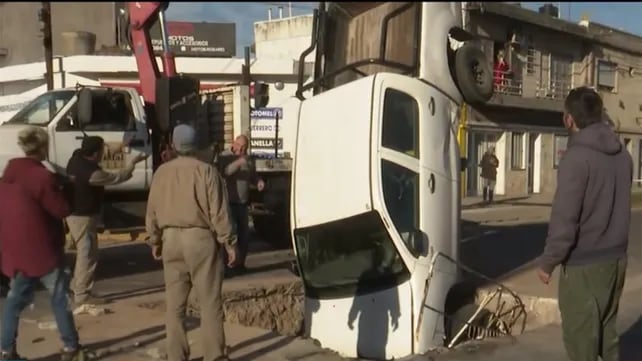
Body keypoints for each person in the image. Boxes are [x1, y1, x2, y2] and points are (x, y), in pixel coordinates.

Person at [538, 87, 632, 361]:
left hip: (584, 268)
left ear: (569, 119)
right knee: (607, 335)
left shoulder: (575, 159)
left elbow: (565, 219)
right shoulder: (623, 156)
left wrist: (548, 262)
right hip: (616, 262)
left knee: (582, 345)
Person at [146, 124, 238, 361]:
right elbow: (219, 212)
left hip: (171, 240)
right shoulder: (206, 171)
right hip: (200, 239)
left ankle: (176, 355)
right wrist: (229, 242)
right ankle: (214, 355)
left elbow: (152, 211)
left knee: (175, 306)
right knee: (209, 304)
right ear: (195, 145)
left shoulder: (161, 173)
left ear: (174, 145)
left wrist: (154, 240)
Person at [0, 127, 85, 360]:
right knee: (60, 299)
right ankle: (71, 347)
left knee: (13, 304)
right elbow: (62, 210)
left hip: (14, 253)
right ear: (43, 147)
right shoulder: (41, 176)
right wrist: (67, 187)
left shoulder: (9, 174)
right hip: (43, 251)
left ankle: (6, 351)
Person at [65, 136, 147, 307]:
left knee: (87, 252)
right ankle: (81, 295)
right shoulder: (92, 174)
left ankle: (77, 287)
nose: (105, 152)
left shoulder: (75, 158)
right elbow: (118, 178)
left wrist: (122, 146)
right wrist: (133, 162)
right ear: (95, 153)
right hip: (83, 217)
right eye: (102, 150)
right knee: (87, 254)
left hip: (76, 214)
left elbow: (104, 153)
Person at [217, 135, 265, 273]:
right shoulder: (224, 156)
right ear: (234, 144)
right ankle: (228, 265)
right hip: (229, 203)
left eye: (245, 148)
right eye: (241, 147)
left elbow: (253, 175)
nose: (243, 150)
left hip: (243, 203)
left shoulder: (248, 159)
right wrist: (238, 162)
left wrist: (258, 182)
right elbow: (223, 173)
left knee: (244, 235)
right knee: (230, 235)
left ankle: (241, 264)